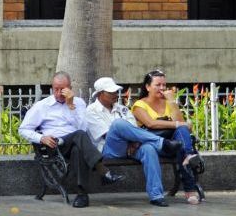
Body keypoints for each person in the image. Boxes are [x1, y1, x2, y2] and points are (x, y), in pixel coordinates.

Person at [18, 72, 123, 208]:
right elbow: (23, 129)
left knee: (78, 148)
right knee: (79, 136)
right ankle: (103, 171)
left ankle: (82, 195)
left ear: (70, 88)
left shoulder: (78, 103)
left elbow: (84, 129)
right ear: (52, 88)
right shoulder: (42, 106)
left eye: (62, 89)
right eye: (56, 89)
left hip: (76, 143)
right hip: (53, 146)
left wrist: (71, 106)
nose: (59, 93)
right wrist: (41, 138)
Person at [84, 76, 182, 206]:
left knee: (149, 149)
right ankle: (161, 142)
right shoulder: (91, 111)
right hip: (109, 149)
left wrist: (134, 142)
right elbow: (107, 135)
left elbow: (135, 131)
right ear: (100, 94)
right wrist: (131, 140)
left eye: (115, 92)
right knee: (118, 125)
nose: (115, 95)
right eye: (111, 92)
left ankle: (156, 196)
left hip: (132, 147)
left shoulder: (122, 108)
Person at [131, 69, 205, 204]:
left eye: (164, 85)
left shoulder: (167, 102)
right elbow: (151, 124)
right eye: (158, 85)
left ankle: (188, 156)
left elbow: (180, 122)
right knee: (181, 134)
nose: (162, 88)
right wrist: (177, 124)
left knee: (181, 142)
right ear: (148, 87)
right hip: (155, 144)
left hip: (174, 145)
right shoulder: (139, 105)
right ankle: (190, 189)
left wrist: (172, 102)